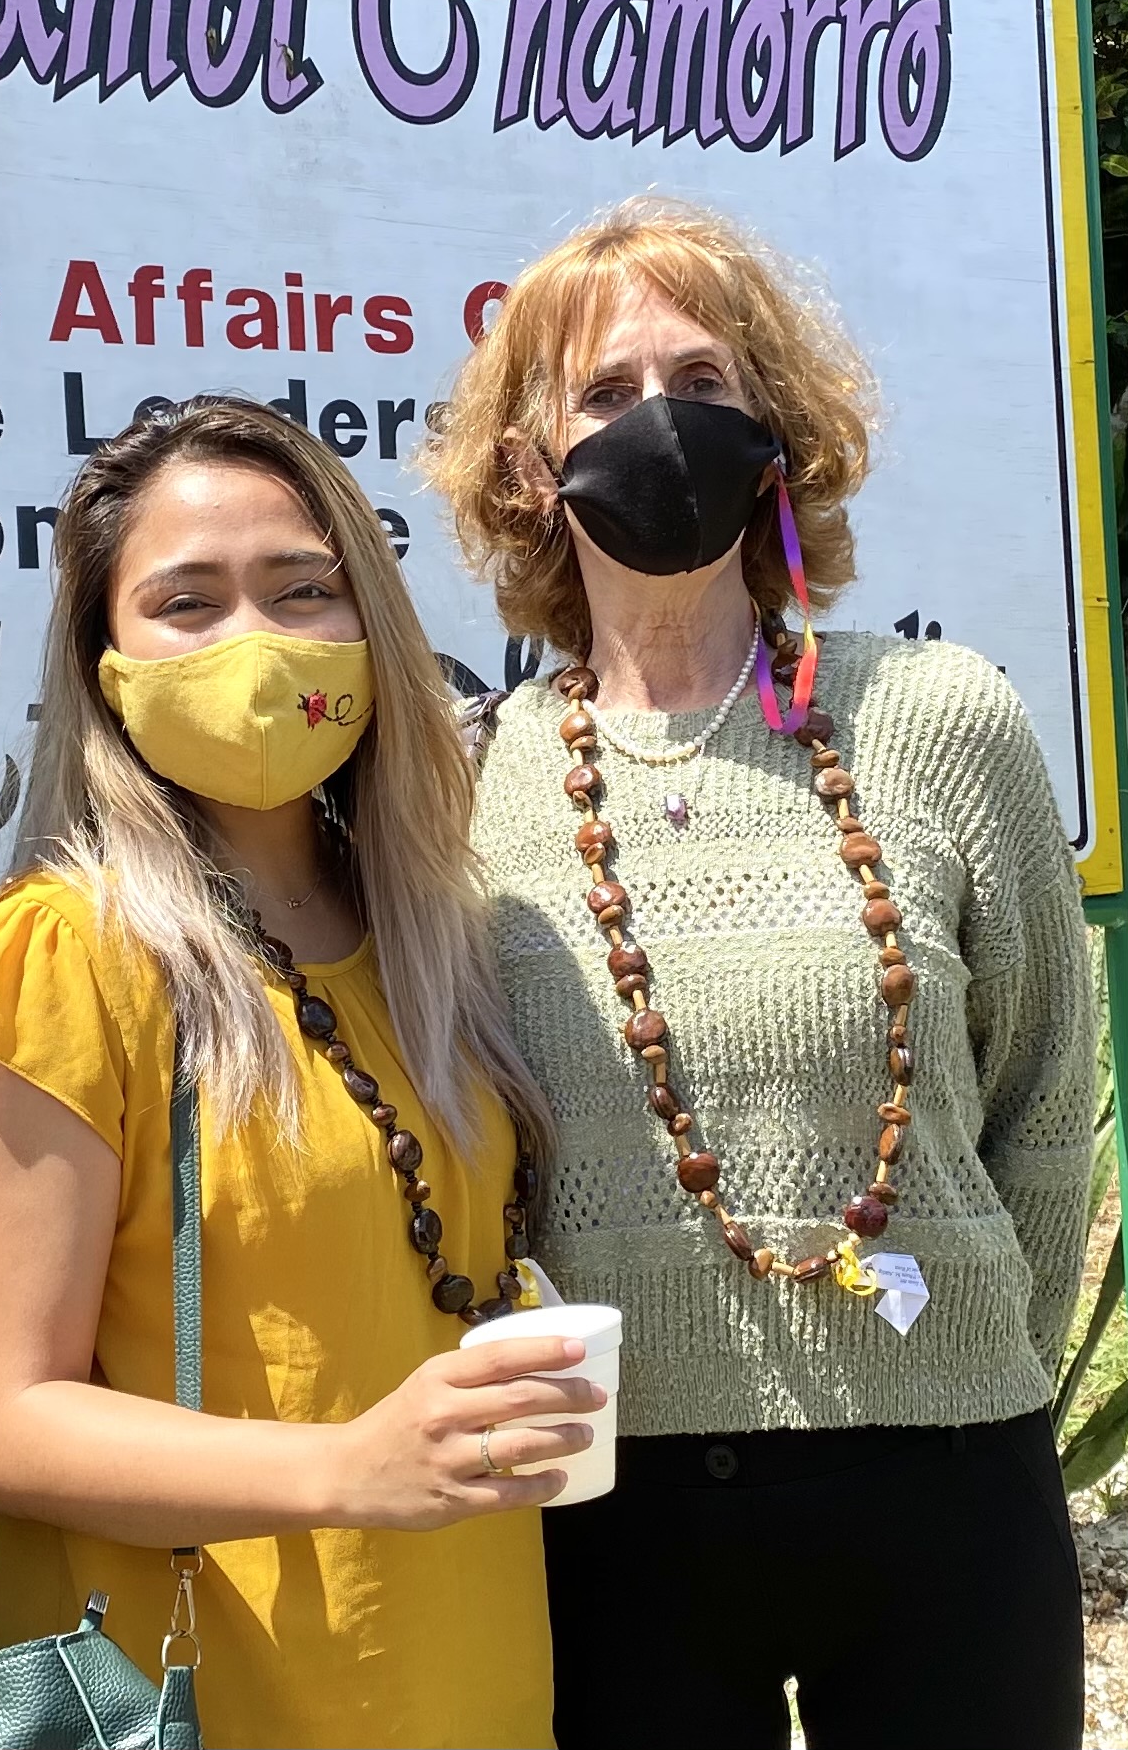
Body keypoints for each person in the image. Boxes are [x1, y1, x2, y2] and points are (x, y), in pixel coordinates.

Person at [420, 196, 1100, 1750]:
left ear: (774, 430)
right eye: (602, 393)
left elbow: (1046, 1100)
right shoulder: (462, 776)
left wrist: (975, 1360)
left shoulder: (934, 715)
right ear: (527, 464)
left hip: (942, 1478)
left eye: (704, 381)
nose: (660, 423)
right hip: (614, 1511)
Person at [0, 395, 601, 1750]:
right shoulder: (55, 958)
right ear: (106, 661)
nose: (257, 643)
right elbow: (11, 1423)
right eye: (187, 602)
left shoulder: (430, 946)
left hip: (471, 1690)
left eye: (302, 589)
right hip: (208, 1707)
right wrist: (346, 1466)